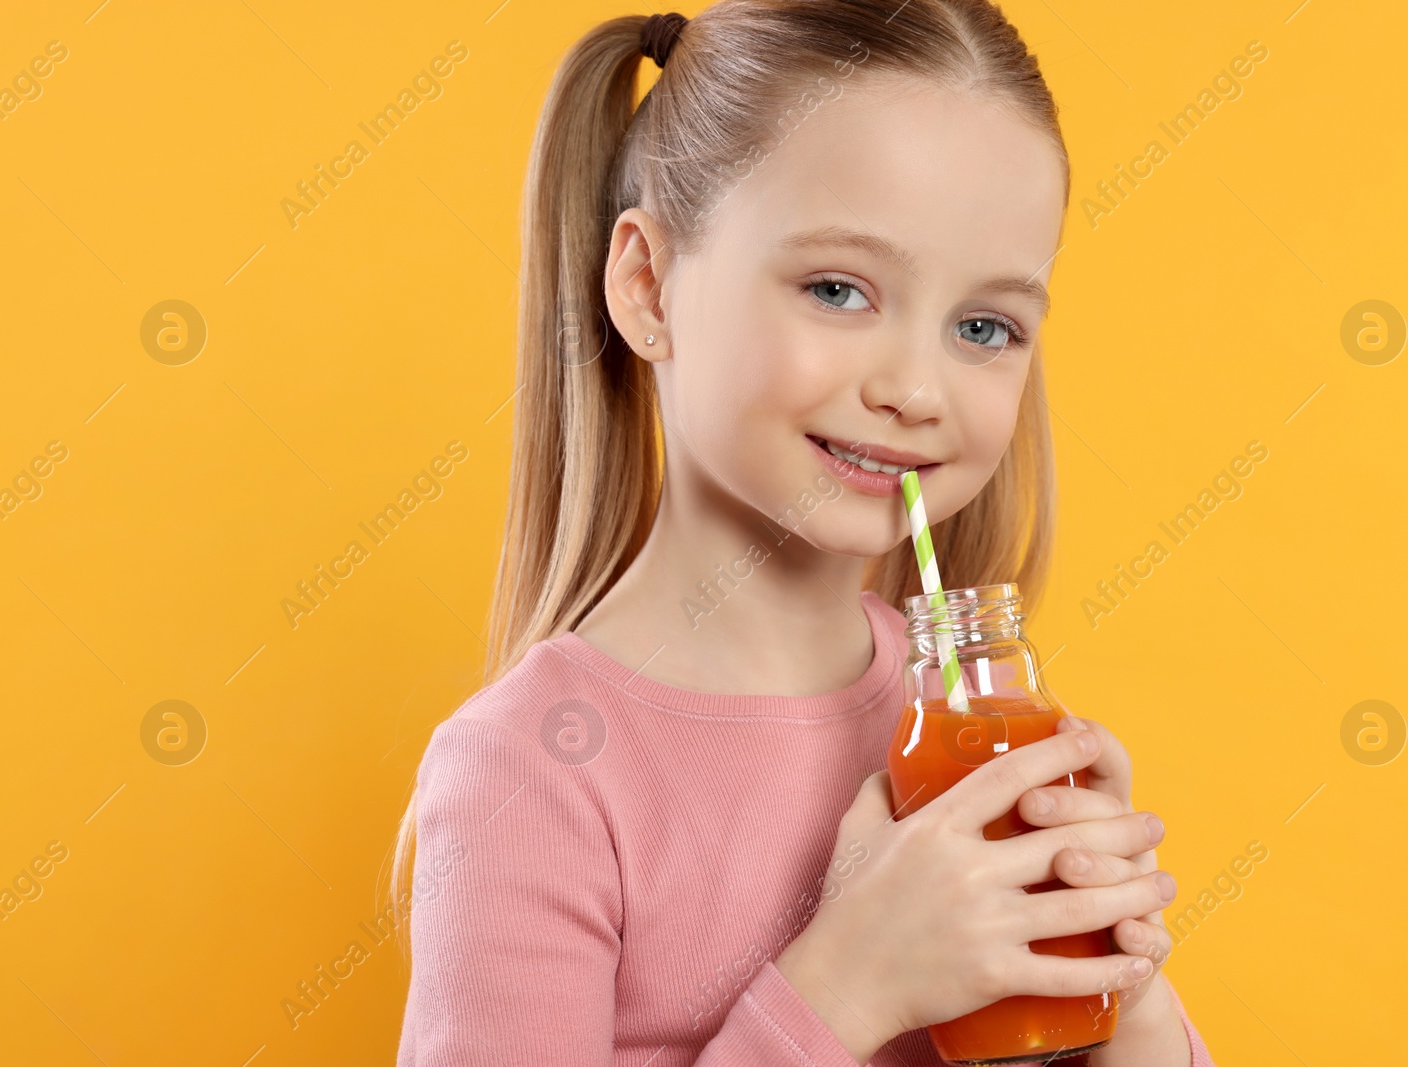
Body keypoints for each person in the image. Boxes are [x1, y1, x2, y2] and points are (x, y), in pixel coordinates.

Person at [393, 2, 1215, 1064]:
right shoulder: (528, 777)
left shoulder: (973, 740)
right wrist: (843, 984)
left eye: (983, 326)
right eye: (837, 289)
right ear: (648, 286)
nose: (916, 388)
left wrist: (1117, 984)